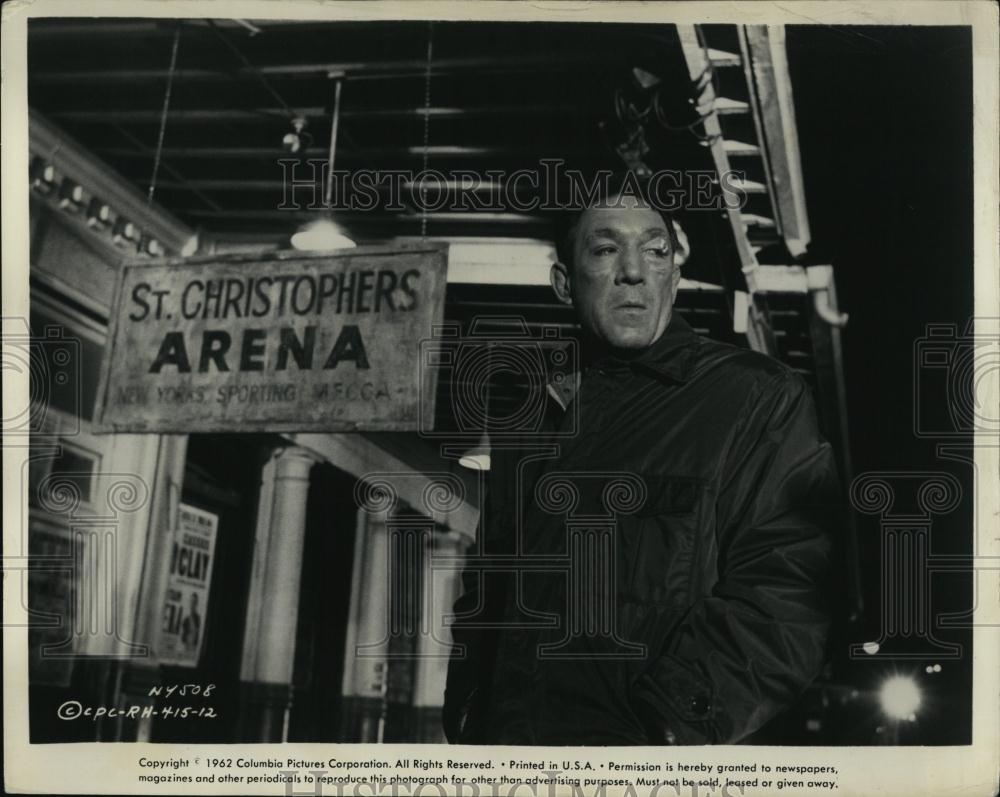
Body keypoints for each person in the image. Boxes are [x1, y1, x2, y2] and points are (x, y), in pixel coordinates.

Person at [443, 175, 839, 745]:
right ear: (563, 282)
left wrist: (664, 731)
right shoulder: (529, 418)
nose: (634, 270)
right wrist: (467, 717)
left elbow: (789, 595)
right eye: (605, 250)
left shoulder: (753, 398)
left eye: (655, 251)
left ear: (673, 278)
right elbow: (485, 592)